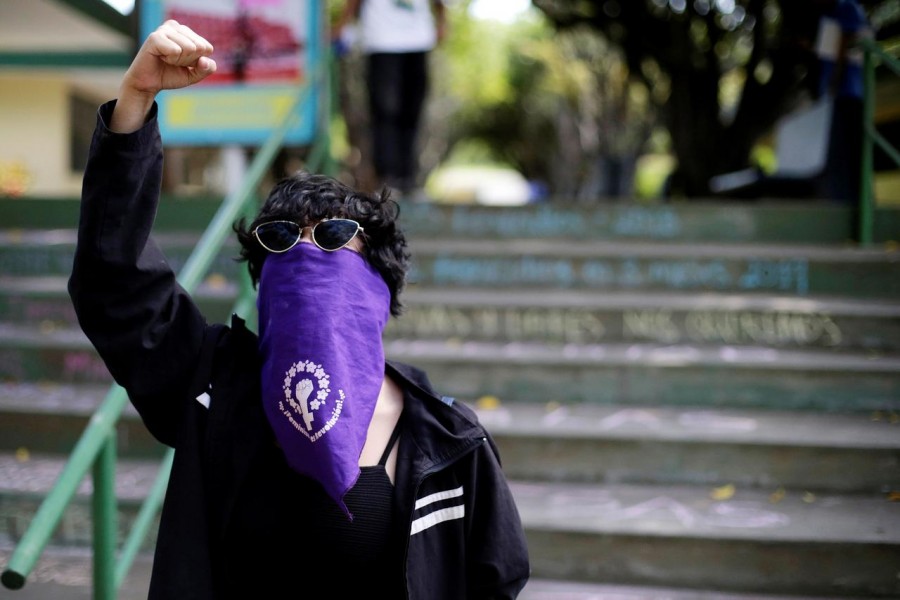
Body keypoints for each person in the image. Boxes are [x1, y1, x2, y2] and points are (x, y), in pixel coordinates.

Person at [68, 21, 529, 599]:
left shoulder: (448, 439)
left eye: (335, 234)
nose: (308, 251)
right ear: (263, 280)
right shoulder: (215, 388)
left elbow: (496, 580)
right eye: (283, 238)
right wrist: (135, 101)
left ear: (377, 276)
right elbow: (114, 281)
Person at [333, 0, 446, 195]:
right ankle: (387, 179)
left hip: (419, 41)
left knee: (412, 111)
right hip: (382, 41)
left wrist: (442, 21)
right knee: (384, 111)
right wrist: (342, 25)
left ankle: (409, 180)